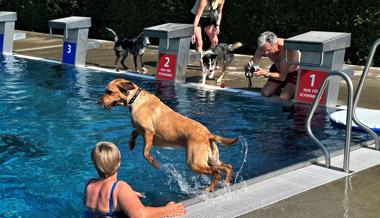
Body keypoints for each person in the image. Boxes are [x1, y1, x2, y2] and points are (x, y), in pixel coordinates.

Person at [84, 141, 186, 218]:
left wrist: (128, 196)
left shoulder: (89, 185)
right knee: (166, 204)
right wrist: (167, 210)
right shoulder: (120, 187)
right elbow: (139, 215)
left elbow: (104, 199)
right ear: (118, 162)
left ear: (95, 164)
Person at [247, 31, 300, 101]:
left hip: (294, 71)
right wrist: (249, 69)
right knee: (265, 93)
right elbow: (252, 62)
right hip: (278, 68)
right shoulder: (263, 46)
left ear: (275, 44)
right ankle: (284, 87)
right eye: (264, 50)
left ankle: (291, 88)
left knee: (284, 97)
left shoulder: (287, 49)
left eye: (269, 50)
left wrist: (265, 73)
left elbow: (282, 77)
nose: (266, 53)